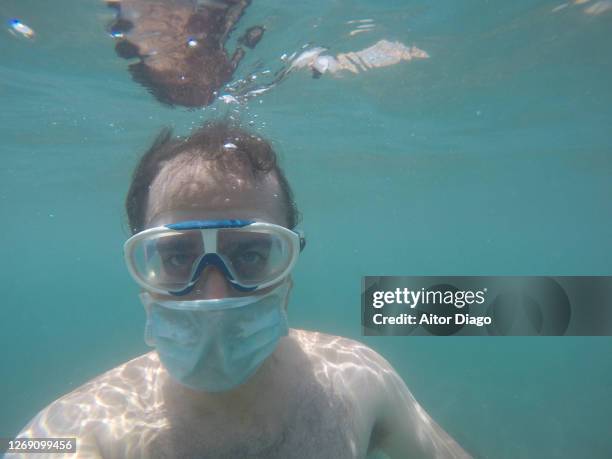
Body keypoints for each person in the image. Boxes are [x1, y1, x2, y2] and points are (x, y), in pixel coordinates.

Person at [7, 120, 472, 459]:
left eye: (249, 255)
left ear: (288, 266)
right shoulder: (74, 431)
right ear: (140, 265)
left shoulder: (362, 379)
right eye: (176, 257)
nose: (214, 295)